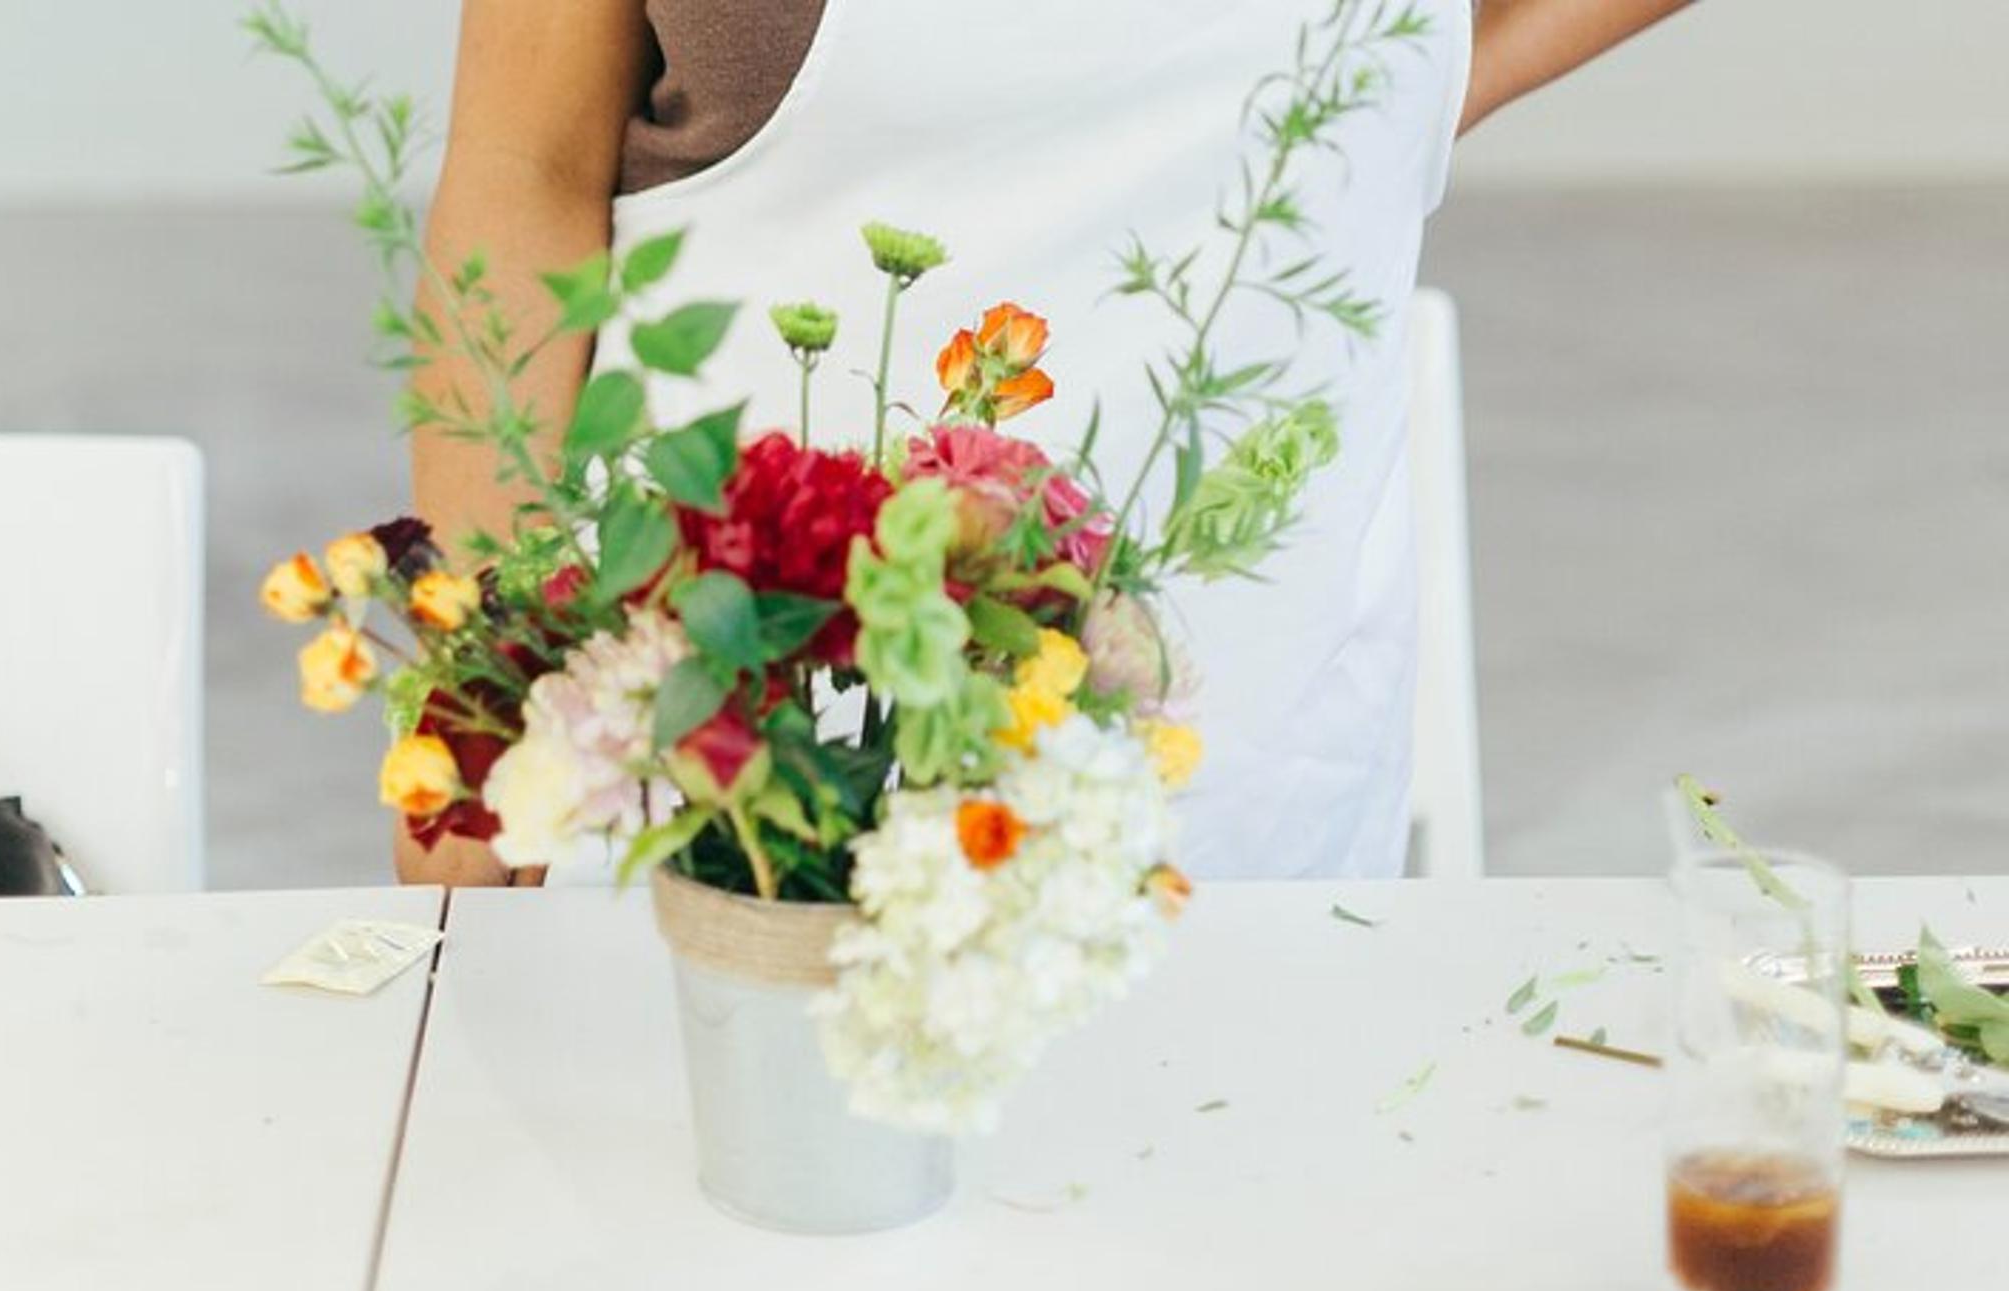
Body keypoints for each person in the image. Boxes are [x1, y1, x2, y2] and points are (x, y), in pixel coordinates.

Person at [398, 0, 1692, 887]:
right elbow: (524, 169)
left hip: (1242, 776)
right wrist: (488, 664)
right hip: (717, 735)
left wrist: (1402, 81)